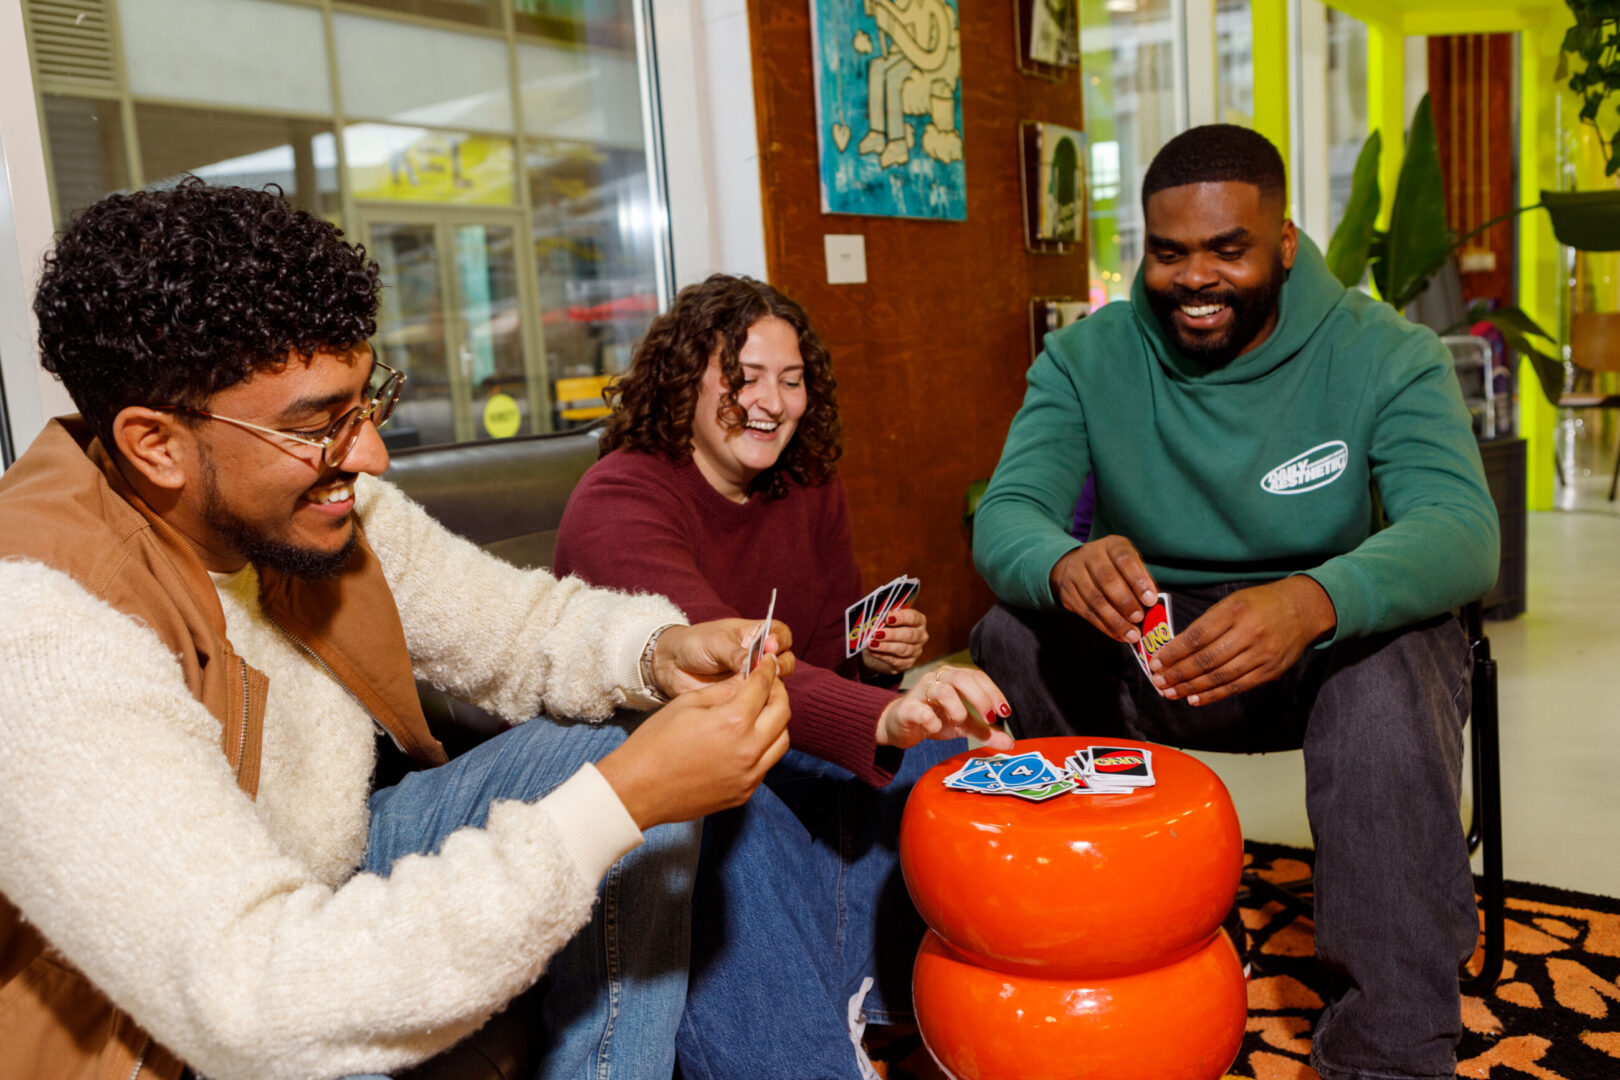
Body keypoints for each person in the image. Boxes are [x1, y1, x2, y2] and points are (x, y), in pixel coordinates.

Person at [0, 180, 797, 1080]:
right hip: (194, 997)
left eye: (365, 400)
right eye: (318, 427)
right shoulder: (42, 631)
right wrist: (625, 801)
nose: (370, 455)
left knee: (626, 720)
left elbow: (525, 628)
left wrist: (654, 652)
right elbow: (255, 1003)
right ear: (155, 444)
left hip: (330, 855)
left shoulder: (325, 509)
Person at [969, 125, 1499, 1080]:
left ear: (1285, 242)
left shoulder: (1387, 352)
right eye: (1169, 252)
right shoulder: (1086, 359)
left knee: (1392, 665)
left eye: (1228, 248)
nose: (1195, 278)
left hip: (1324, 648)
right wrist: (1058, 564)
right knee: (1011, 634)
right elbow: (1007, 511)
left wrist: (1312, 600)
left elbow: (1463, 527)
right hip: (1154, 648)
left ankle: (1388, 1055)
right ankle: (1101, 943)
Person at [552, 273, 1012, 1079]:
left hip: (778, 729)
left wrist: (877, 661)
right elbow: (732, 675)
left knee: (956, 760)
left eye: (791, 379)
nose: (771, 401)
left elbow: (828, 645)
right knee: (745, 791)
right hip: (674, 750)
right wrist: (880, 716)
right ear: (685, 381)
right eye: (743, 376)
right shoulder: (618, 498)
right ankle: (811, 1053)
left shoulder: (808, 485)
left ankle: (906, 1000)